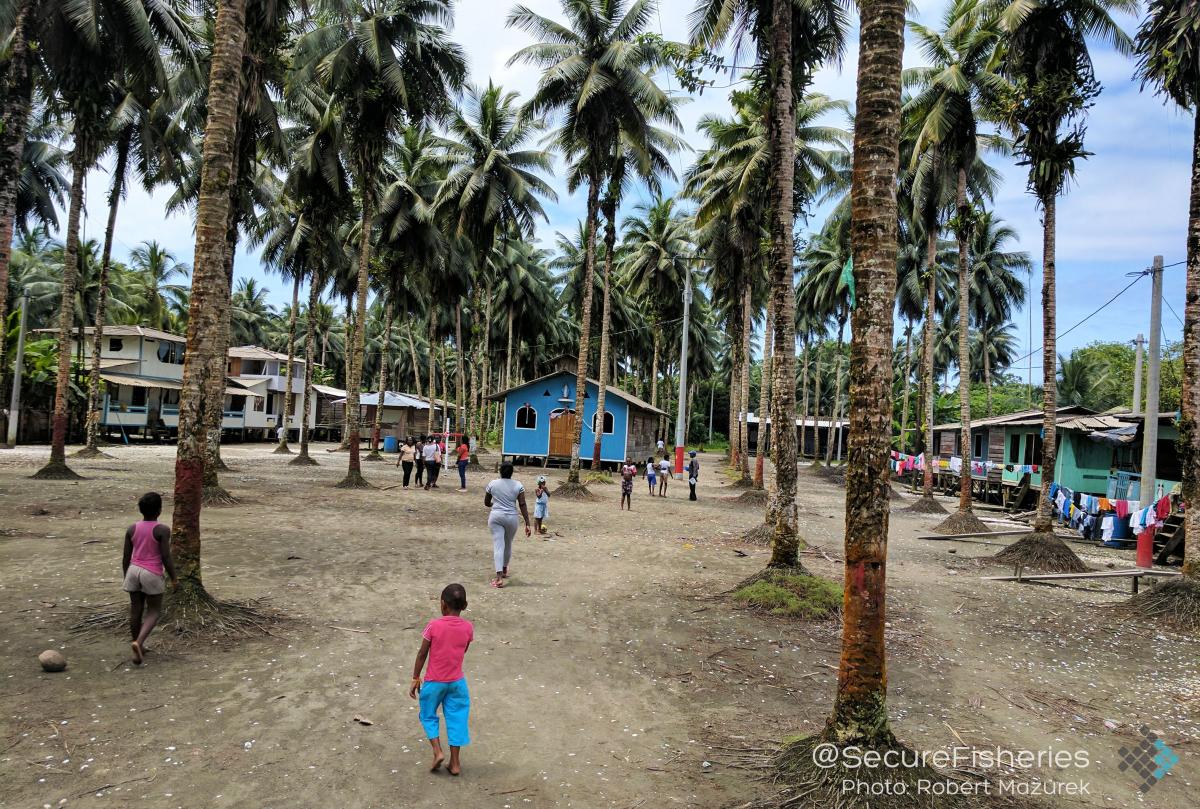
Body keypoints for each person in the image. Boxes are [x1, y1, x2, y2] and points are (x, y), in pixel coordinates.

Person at [409, 583, 473, 776]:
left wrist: (415, 678)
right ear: (464, 605)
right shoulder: (468, 628)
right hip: (457, 682)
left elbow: (422, 653)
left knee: (428, 714)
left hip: (434, 682)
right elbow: (463, 649)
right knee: (457, 718)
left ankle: (437, 751)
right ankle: (455, 763)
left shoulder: (434, 625)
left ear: (443, 605)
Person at [122, 492, 177, 664]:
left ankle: (137, 647)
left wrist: (126, 576)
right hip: (151, 573)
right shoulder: (162, 530)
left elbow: (125, 556)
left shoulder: (132, 529)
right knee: (153, 611)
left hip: (133, 570)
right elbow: (166, 557)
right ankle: (139, 643)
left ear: (141, 510)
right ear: (159, 510)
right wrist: (174, 578)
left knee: (135, 610)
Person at [484, 463, 531, 587]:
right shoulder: (518, 485)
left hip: (496, 517)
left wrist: (494, 504)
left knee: (498, 545)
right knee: (508, 544)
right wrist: (527, 523)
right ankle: (504, 569)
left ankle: (499, 578)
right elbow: (522, 504)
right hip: (511, 518)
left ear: (500, 471)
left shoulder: (492, 484)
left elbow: (486, 502)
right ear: (512, 472)